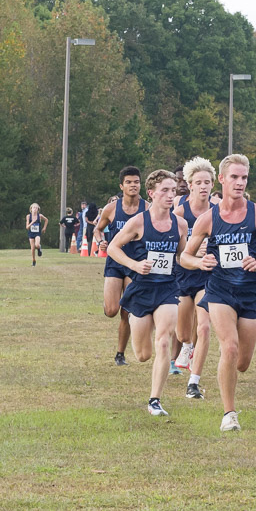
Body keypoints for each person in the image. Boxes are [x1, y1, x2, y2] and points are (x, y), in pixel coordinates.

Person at [180, 154, 256, 432]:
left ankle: (229, 378)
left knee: (242, 362)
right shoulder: (207, 219)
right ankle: (229, 414)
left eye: (244, 177)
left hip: (249, 293)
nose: (239, 182)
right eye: (234, 177)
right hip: (220, 290)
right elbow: (184, 258)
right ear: (221, 180)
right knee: (230, 346)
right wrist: (200, 262)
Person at [108, 169, 188, 417]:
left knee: (164, 339)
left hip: (167, 288)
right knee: (143, 355)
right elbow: (113, 248)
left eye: (173, 191)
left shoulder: (181, 224)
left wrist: (199, 256)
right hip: (141, 289)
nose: (170, 195)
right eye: (164, 190)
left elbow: (183, 256)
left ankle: (155, 400)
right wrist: (133, 265)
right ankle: (142, 323)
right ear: (151, 193)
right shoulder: (138, 222)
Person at [175, 157, 218, 399]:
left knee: (203, 327)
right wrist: (188, 251)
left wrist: (209, 251)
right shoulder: (180, 213)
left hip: (206, 276)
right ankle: (187, 347)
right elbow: (171, 247)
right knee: (183, 334)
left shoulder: (217, 213)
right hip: (183, 275)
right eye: (198, 182)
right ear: (190, 184)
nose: (203, 187)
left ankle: (194, 382)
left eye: (207, 182)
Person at [94, 167, 145, 366]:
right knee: (112, 310)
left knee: (127, 311)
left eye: (136, 182)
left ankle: (120, 354)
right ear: (121, 186)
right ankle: (108, 301)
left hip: (135, 264)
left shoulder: (147, 208)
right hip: (115, 263)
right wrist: (100, 242)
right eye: (129, 182)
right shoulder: (112, 209)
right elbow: (98, 230)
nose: (133, 185)